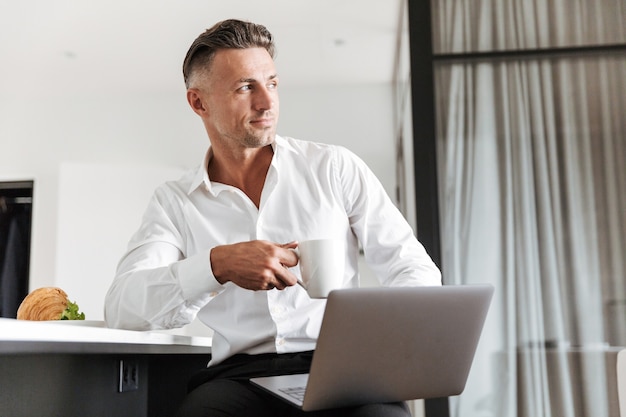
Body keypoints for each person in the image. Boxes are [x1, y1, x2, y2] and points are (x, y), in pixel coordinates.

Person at [104, 19, 441, 417]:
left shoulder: (334, 166)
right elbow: (122, 307)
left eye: (273, 83)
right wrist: (217, 266)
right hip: (237, 381)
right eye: (246, 87)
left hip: (342, 367)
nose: (267, 103)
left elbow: (413, 268)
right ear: (199, 103)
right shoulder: (174, 202)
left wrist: (372, 342)